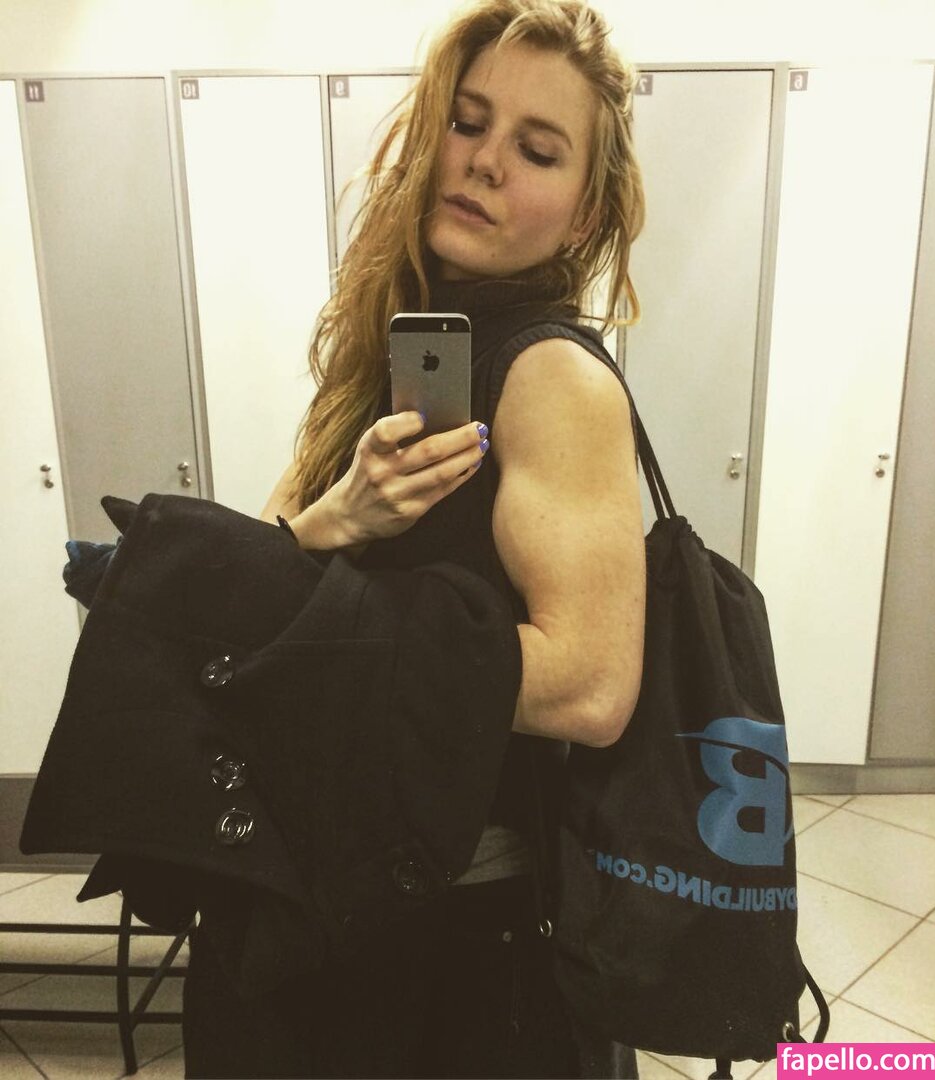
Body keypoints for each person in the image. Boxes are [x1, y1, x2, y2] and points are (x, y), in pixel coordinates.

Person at [184, 0, 647, 1075]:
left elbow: (590, 683)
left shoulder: (551, 377)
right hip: (313, 896)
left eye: (537, 150)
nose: (484, 162)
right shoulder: (381, 359)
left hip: (450, 937)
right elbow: (265, 577)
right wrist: (332, 522)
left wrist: (332, 639)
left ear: (583, 213)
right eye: (467, 122)